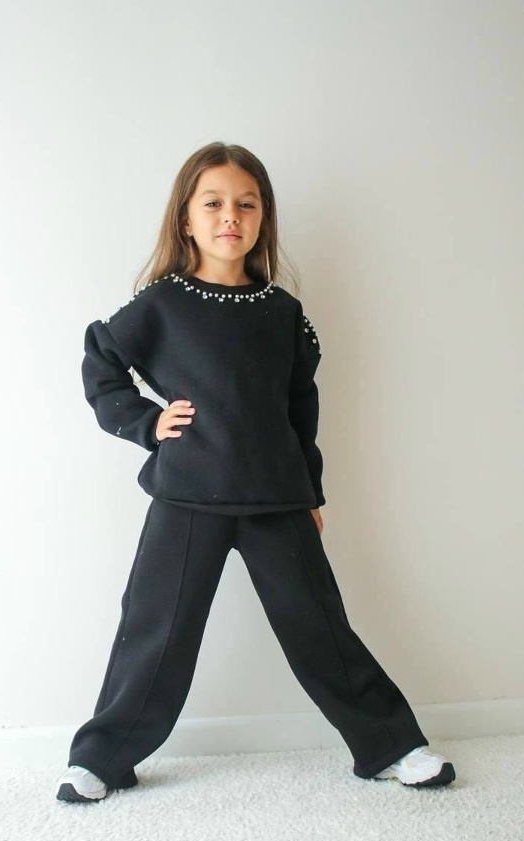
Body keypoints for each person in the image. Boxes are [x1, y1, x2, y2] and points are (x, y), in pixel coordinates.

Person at [56, 141, 456, 803]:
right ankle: (103, 757)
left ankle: (390, 745)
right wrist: (146, 423)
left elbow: (301, 410)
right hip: (186, 497)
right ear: (186, 219)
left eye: (246, 204)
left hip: (276, 498)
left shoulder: (282, 313)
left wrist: (312, 493)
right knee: (155, 632)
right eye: (213, 203)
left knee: (319, 627)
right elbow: (101, 361)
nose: (230, 216)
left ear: (262, 217)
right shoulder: (161, 305)